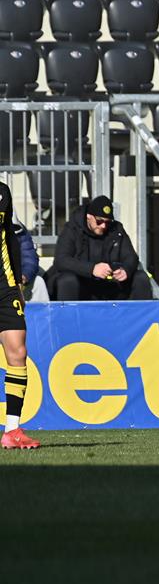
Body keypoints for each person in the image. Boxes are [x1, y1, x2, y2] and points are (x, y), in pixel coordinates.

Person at [46, 196, 151, 301]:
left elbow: (131, 256)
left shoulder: (116, 229)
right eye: (99, 221)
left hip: (108, 285)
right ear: (89, 216)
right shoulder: (72, 229)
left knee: (140, 277)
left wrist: (125, 270)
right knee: (68, 280)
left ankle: (141, 312)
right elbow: (61, 260)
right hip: (81, 283)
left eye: (107, 222)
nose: (103, 226)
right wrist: (92, 269)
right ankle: (68, 312)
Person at [0, 181, 38, 448]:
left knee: (18, 352)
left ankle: (12, 430)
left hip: (5, 286)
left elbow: (10, 238)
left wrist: (17, 284)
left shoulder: (2, 192)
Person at [13, 220, 48, 302]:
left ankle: (42, 311)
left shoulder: (19, 229)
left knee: (38, 282)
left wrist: (24, 276)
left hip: (16, 278)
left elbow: (29, 258)